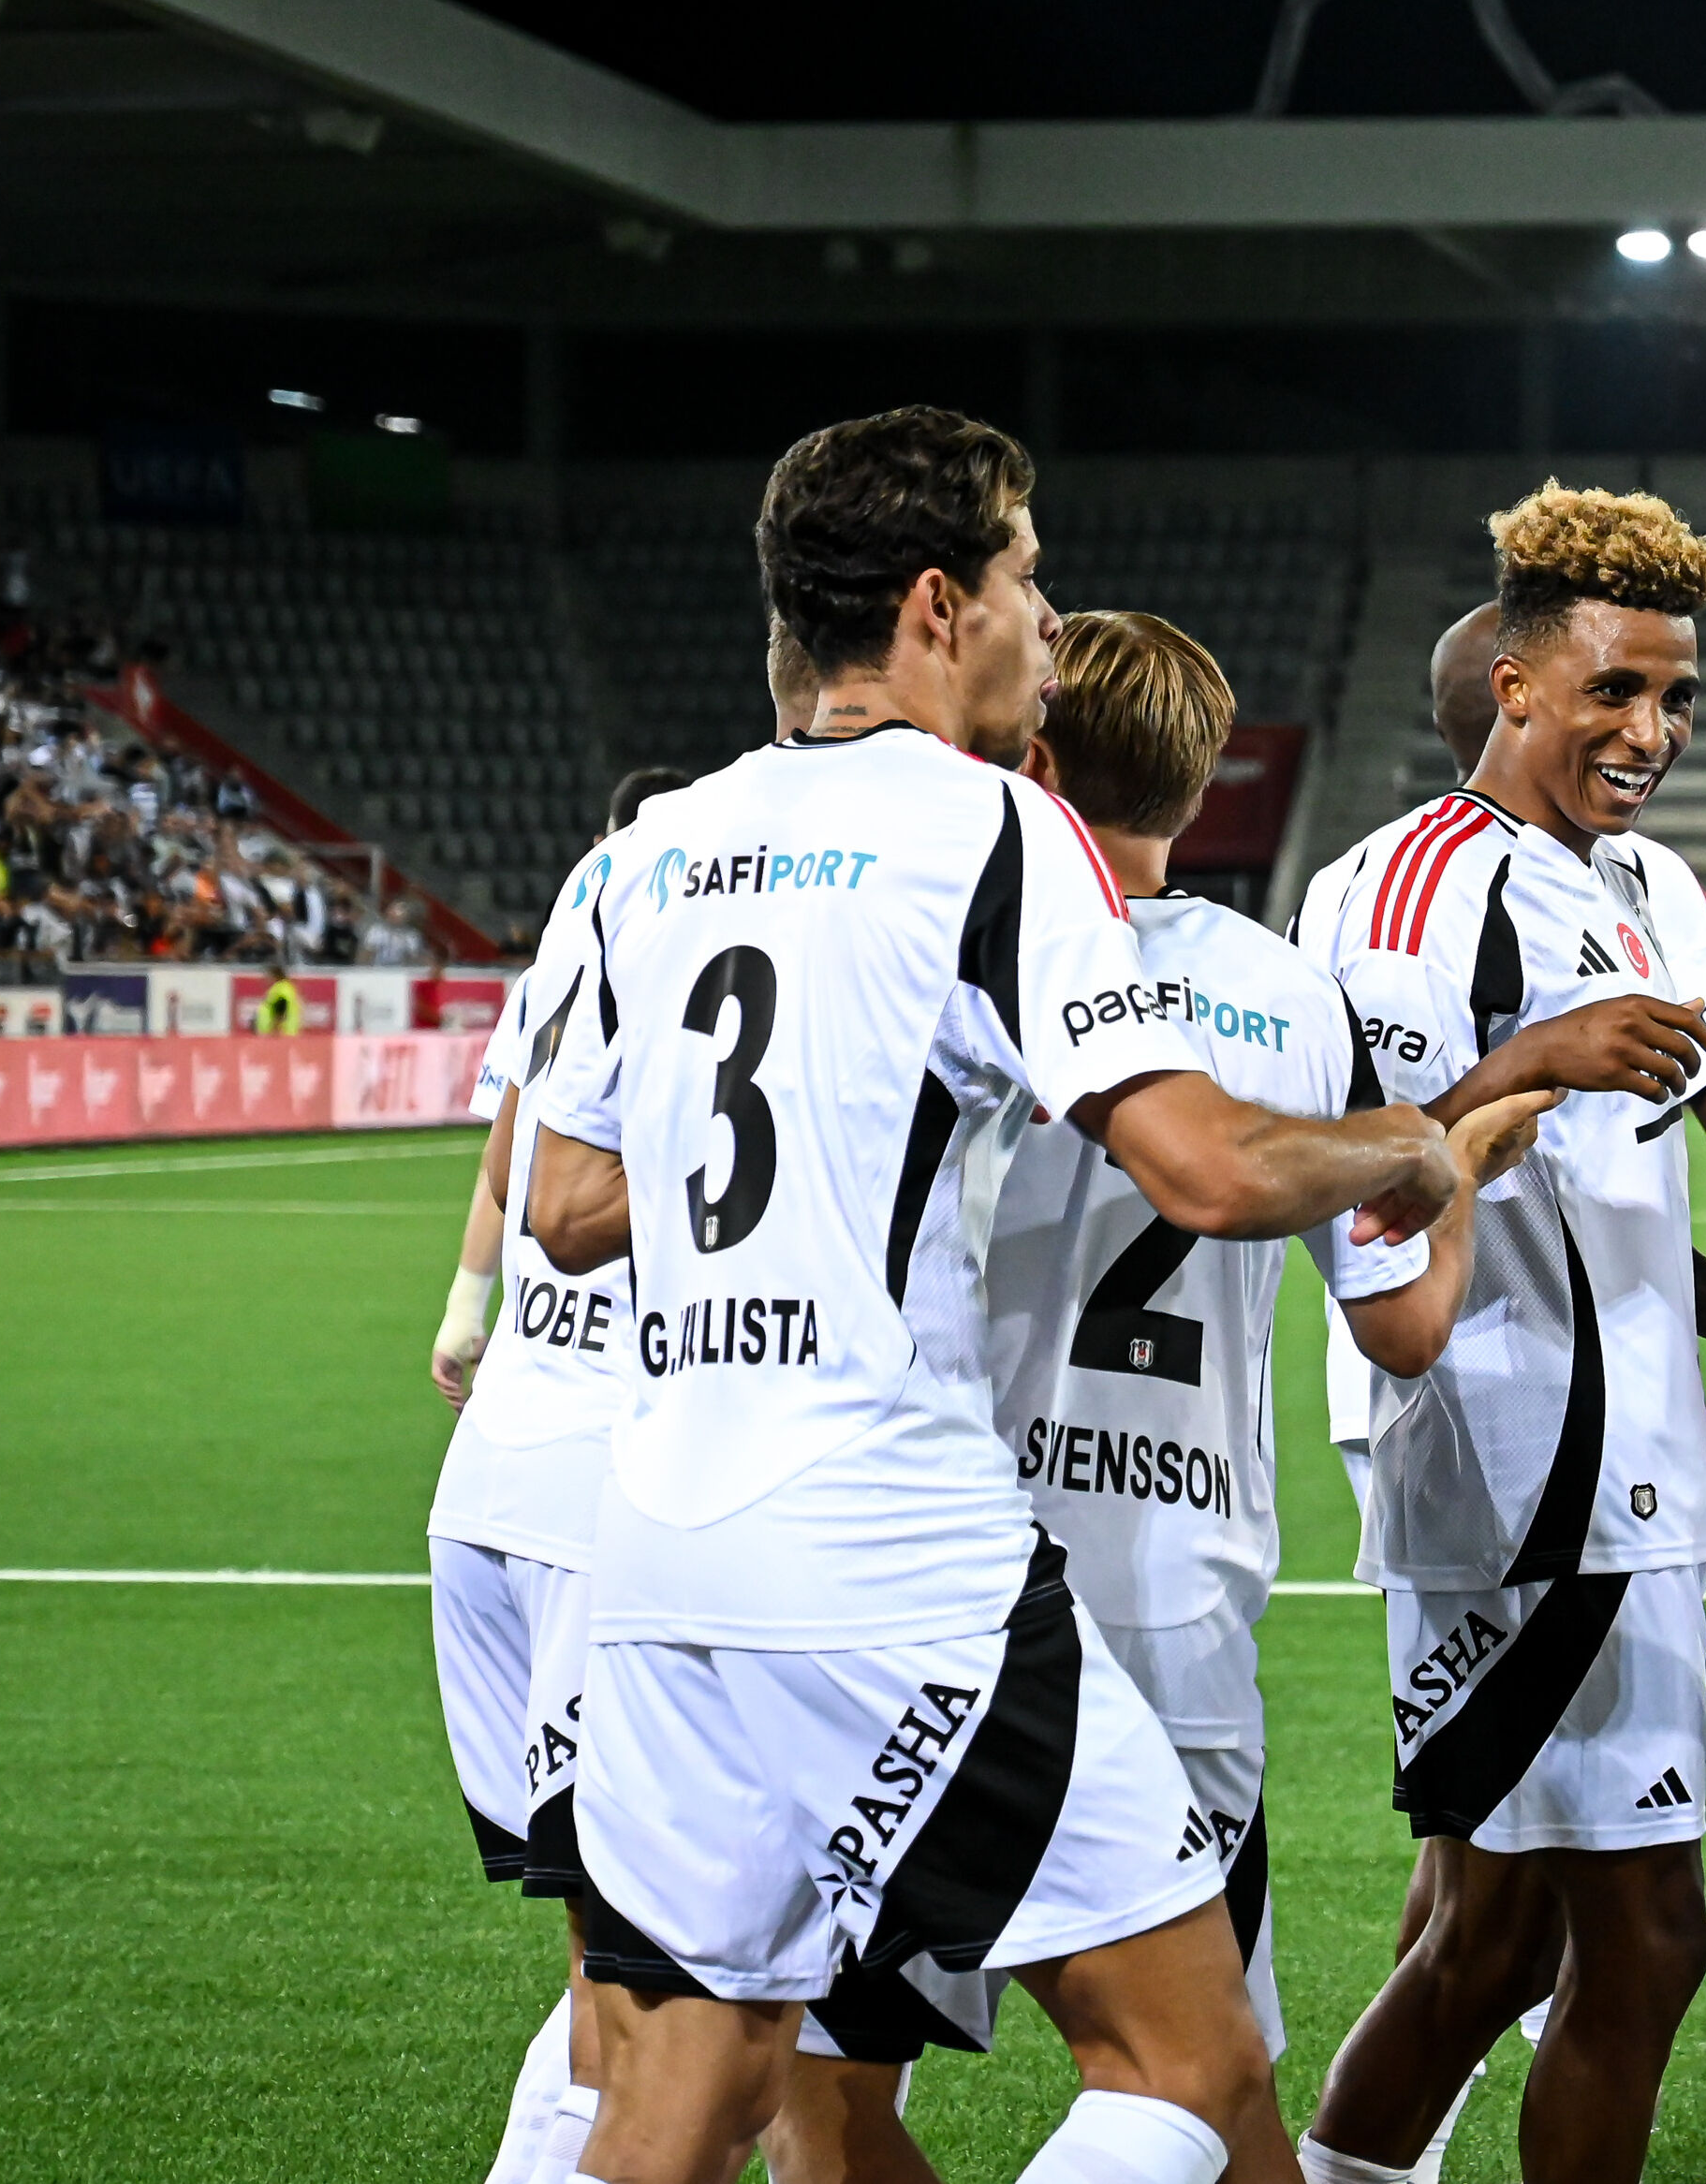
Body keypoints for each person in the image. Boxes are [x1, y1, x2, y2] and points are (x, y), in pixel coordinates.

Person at [521, 406, 1464, 2184]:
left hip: (659, 1559)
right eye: (1033, 576)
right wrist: (1401, 1149)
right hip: (893, 1546)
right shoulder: (993, 833)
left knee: (683, 2099)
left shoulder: (651, 847)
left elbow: (566, 1208)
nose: (1050, 618)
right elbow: (1204, 1170)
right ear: (942, 603)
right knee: (1188, 2064)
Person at [766, 608, 1560, 2184]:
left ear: (1033, 755)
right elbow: (1404, 1328)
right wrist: (1451, 1162)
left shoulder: (960, 943)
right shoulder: (1290, 995)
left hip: (944, 1572)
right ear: (1205, 788)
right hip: (1179, 1595)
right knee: (1211, 2084)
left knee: (831, 2095)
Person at [1295, 486, 1706, 2184]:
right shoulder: (1408, 892)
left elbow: (1682, 1154)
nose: (1649, 730)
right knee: (1606, 1942)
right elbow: (1361, 1178)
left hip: (1626, 1463)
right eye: (1614, 690)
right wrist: (1534, 1059)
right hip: (1511, 1465)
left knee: (1499, 1941)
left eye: (1675, 696)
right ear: (1514, 684)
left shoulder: (1647, 880)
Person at [429, 761, 695, 2184]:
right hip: (609, 1482)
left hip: (496, 1473)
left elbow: (512, 1136)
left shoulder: (579, 910)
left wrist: (465, 1301)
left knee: (619, 1952)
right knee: (644, 1976)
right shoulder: (739, 916)